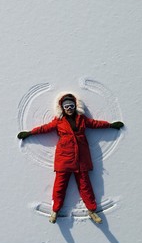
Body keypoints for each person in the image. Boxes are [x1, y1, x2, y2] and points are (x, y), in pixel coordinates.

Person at [17, 93, 124, 224]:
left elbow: (95, 124)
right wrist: (30, 133)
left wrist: (110, 125)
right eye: (66, 106)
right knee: (60, 185)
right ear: (62, 108)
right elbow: (45, 128)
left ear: (75, 106)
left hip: (81, 158)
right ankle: (55, 210)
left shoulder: (82, 119)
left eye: (71, 105)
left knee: (85, 185)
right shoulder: (59, 121)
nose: (69, 108)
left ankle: (92, 210)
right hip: (64, 158)